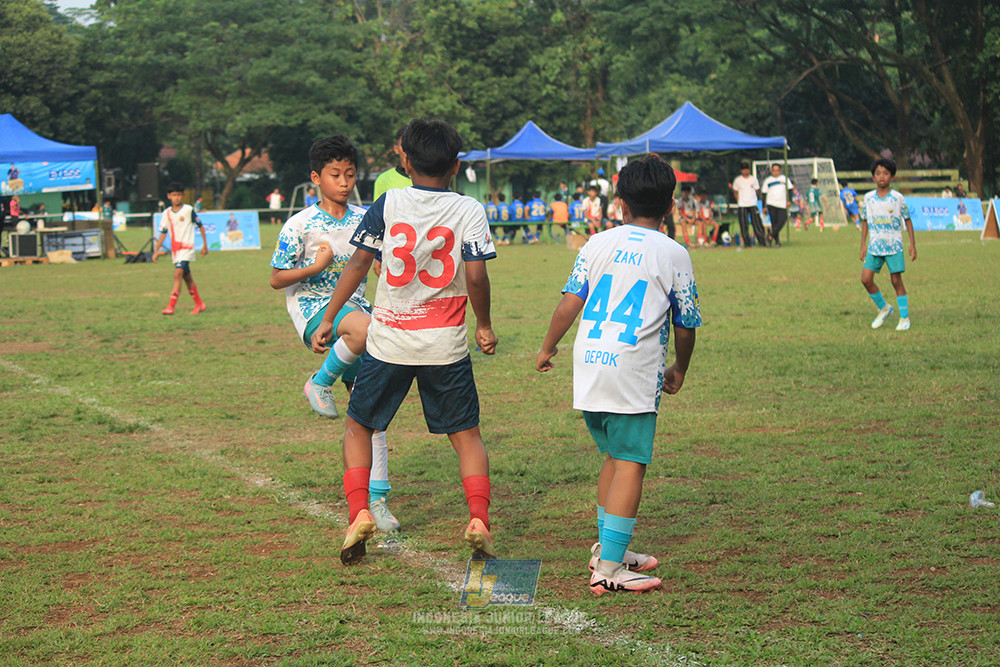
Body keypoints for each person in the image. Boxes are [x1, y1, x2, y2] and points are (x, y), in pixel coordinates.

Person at [310, 118, 498, 566]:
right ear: (456, 165)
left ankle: (358, 512)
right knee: (467, 436)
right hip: (445, 346)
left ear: (405, 161)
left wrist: (331, 316)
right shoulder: (469, 209)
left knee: (359, 427)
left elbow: (357, 265)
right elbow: (476, 274)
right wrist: (484, 325)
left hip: (389, 341)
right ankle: (478, 520)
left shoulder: (388, 201)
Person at [535, 155, 701, 595]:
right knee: (631, 462)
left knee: (613, 456)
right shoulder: (674, 252)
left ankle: (607, 549)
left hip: (590, 366)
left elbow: (570, 301)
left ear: (620, 203)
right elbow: (686, 323)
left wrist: (549, 345)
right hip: (633, 372)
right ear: (669, 205)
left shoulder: (596, 243)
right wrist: (680, 368)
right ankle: (609, 570)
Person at [269, 135, 400, 532]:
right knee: (363, 328)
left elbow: (376, 261)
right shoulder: (300, 225)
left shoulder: (365, 217)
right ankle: (319, 381)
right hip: (316, 311)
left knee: (369, 415)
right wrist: (314, 267)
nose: (344, 182)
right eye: (334, 175)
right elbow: (276, 278)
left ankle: (373, 502)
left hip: (359, 314)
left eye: (350, 174)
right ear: (316, 178)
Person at [860, 158, 916, 331]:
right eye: (878, 173)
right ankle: (884, 308)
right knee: (865, 279)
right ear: (873, 177)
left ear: (892, 176)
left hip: (894, 245)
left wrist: (912, 244)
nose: (881, 177)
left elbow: (907, 220)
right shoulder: (868, 198)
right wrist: (863, 244)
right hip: (874, 246)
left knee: (895, 280)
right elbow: (865, 221)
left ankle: (904, 318)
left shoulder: (897, 198)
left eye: (885, 173)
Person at [153, 183, 208, 315]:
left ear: (182, 196)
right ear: (169, 196)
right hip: (176, 250)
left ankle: (171, 306)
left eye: (179, 195)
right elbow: (163, 232)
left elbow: (200, 226)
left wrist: (205, 245)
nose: (176, 198)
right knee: (187, 278)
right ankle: (200, 304)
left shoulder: (188, 210)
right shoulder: (166, 213)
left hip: (187, 248)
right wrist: (156, 250)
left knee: (177, 274)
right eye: (174, 195)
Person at [372, 126, 413, 201]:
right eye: (404, 146)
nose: (408, 151)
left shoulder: (428, 178)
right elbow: (379, 211)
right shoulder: (384, 179)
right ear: (396, 149)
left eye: (413, 146)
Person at [731, 162, 765, 247]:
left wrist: (752, 198)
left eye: (747, 169)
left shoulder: (753, 179)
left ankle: (762, 241)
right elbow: (735, 192)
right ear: (741, 170)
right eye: (743, 169)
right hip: (742, 205)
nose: (745, 171)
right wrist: (739, 200)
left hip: (752, 204)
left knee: (756, 223)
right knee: (743, 224)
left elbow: (757, 191)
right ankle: (747, 243)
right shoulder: (738, 180)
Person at [762, 163, 793, 247]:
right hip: (771, 204)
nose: (775, 172)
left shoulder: (784, 179)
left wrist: (789, 200)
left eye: (777, 170)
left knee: (782, 221)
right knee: (774, 223)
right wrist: (763, 206)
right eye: (773, 170)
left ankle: (770, 236)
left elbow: (790, 190)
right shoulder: (768, 180)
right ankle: (777, 242)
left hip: (782, 204)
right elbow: (764, 194)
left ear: (780, 171)